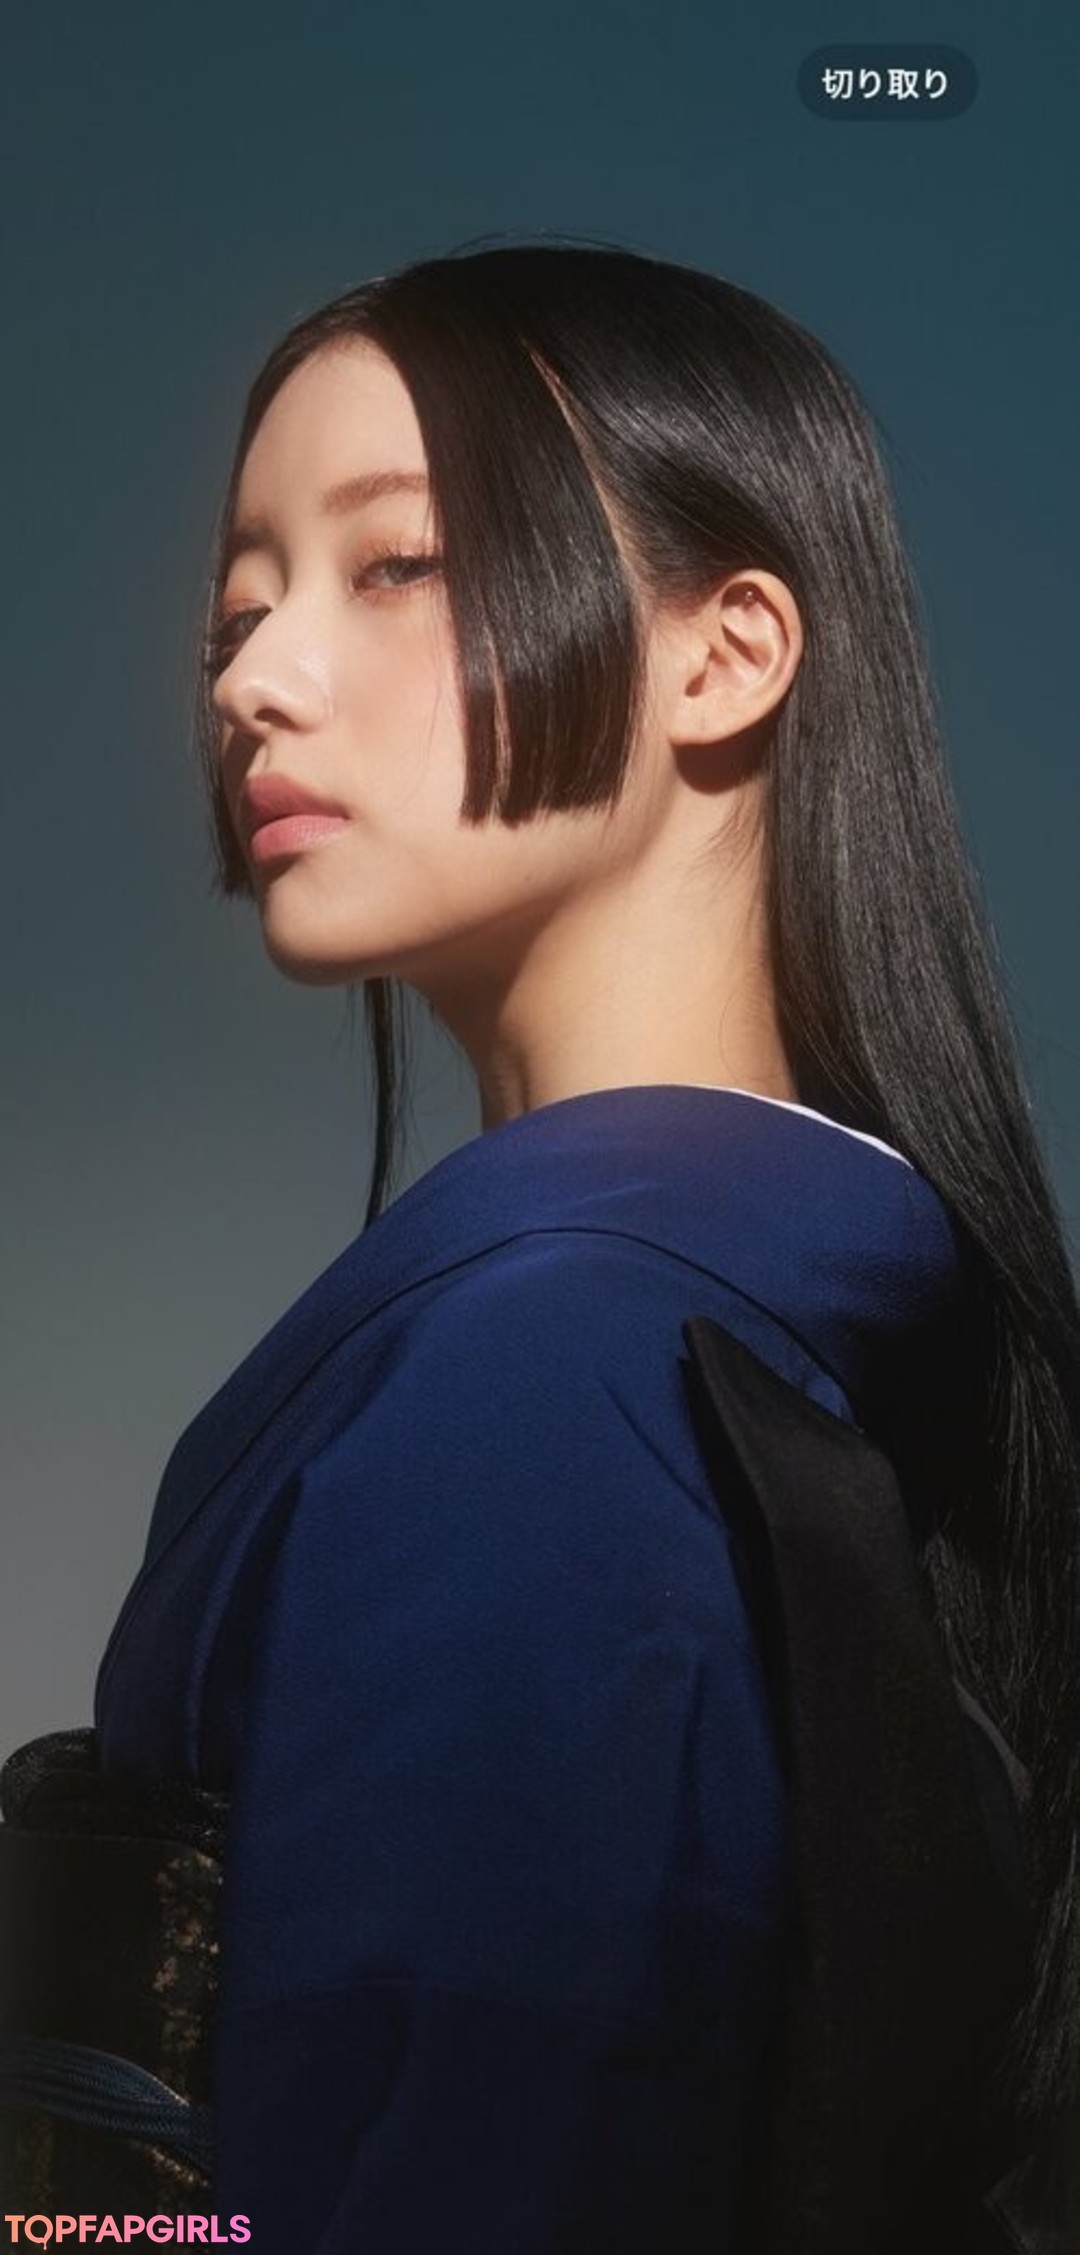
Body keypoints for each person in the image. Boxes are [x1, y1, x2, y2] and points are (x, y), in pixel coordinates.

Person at [80, 238, 1080, 2245]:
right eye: (242, 609)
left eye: (396, 565)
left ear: (726, 655)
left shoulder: (546, 1371)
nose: (254, 680)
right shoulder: (773, 1333)